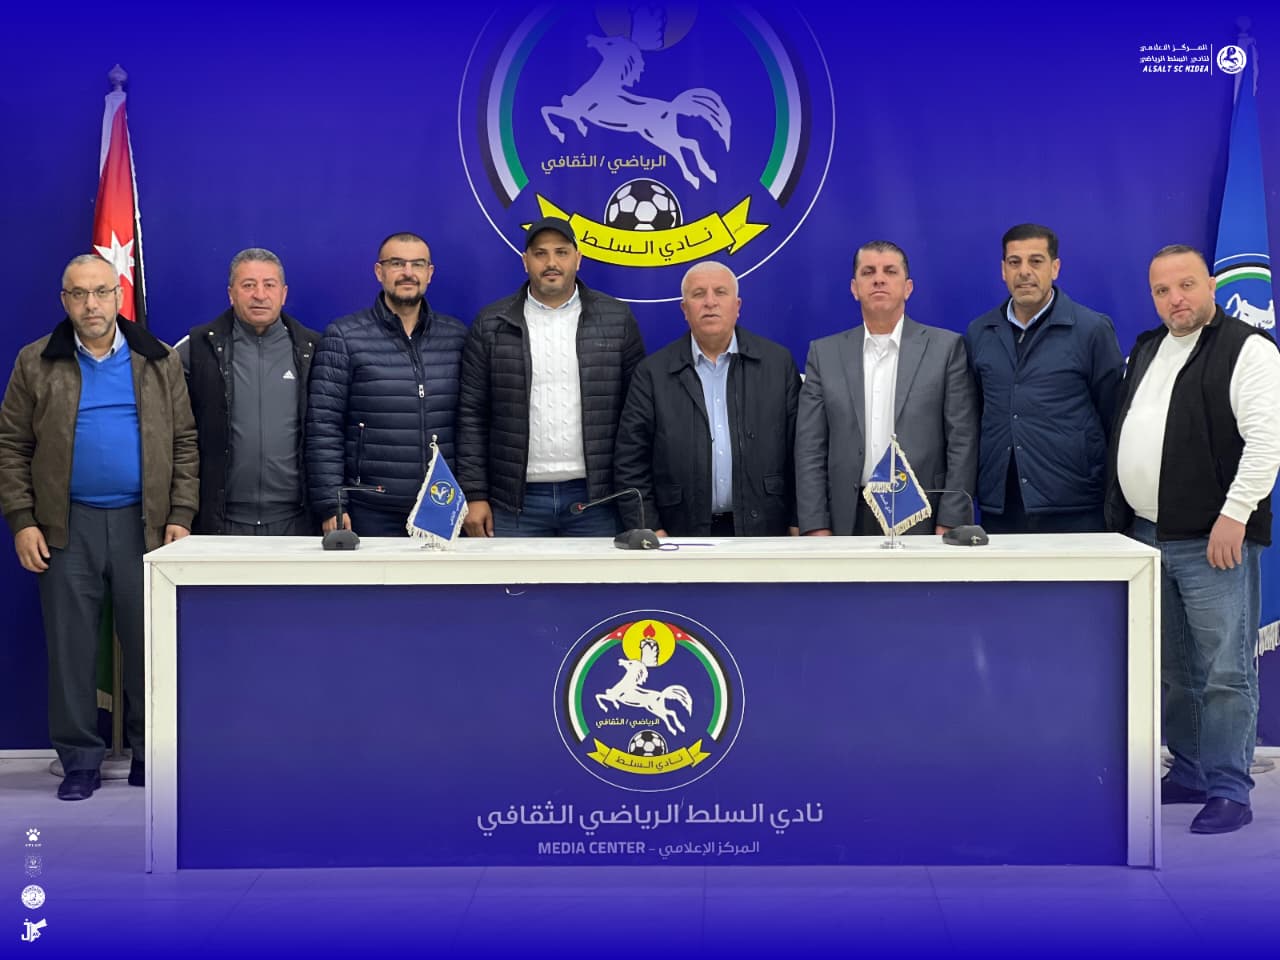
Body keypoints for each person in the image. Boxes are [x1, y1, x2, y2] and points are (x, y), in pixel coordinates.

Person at [0, 254, 198, 799]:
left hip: (146, 525)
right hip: (65, 527)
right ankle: (80, 762)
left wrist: (181, 515)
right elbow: (12, 447)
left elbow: (184, 442)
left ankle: (147, 752)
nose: (91, 304)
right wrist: (22, 520)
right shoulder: (36, 361)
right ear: (64, 301)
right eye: (79, 294)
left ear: (118, 296)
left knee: (150, 645)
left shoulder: (157, 359)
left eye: (101, 292)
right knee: (71, 650)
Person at [1106, 244, 1280, 835]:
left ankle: (1230, 788)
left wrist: (1234, 515)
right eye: (1162, 291)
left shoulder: (1248, 349)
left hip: (1213, 537)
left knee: (1225, 669)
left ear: (1210, 285)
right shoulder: (1148, 347)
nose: (1175, 299)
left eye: (1185, 285)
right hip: (1148, 536)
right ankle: (1189, 772)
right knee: (1177, 669)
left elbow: (1266, 441)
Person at [457, 217, 645, 536]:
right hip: (515, 503)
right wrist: (474, 494)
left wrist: (631, 494)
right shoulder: (491, 323)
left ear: (578, 259)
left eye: (561, 252)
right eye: (540, 253)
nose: (551, 263)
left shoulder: (617, 319)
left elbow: (637, 413)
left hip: (597, 500)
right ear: (525, 261)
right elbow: (471, 414)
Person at [795, 241, 978, 536]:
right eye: (868, 272)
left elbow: (962, 439)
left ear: (908, 287)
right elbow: (809, 448)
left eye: (890, 271)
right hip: (847, 516)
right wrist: (815, 524)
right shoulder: (824, 354)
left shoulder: (945, 348)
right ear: (854, 288)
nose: (879, 279)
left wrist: (952, 518)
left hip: (923, 513)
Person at [614, 261, 799, 537]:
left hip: (765, 529)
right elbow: (630, 461)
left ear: (737, 306)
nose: (710, 302)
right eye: (698, 294)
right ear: (684, 309)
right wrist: (650, 527)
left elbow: (801, 452)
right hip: (679, 534)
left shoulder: (777, 364)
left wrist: (799, 519)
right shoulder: (653, 373)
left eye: (720, 292)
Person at [966, 224, 1124, 532]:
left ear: (1055, 267)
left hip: (1074, 504)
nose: (1024, 271)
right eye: (1014, 262)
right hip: (1002, 506)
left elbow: (1113, 415)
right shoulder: (980, 332)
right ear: (1003, 270)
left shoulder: (1091, 329)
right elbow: (976, 413)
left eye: (1036, 261)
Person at [306, 233, 467, 536]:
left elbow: (471, 424)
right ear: (379, 272)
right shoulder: (344, 336)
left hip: (441, 506)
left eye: (417, 264)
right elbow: (324, 427)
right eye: (397, 263)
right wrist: (331, 503)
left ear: (429, 273)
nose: (408, 272)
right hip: (370, 509)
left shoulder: (455, 336)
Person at [179, 248, 321, 535]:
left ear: (283, 293)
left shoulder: (313, 350)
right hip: (220, 520)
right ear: (231, 294)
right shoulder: (196, 348)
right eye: (248, 285)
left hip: (296, 521)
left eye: (269, 285)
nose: (259, 295)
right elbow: (177, 437)